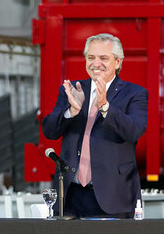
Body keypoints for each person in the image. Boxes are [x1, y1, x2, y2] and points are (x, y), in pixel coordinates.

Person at [43, 33, 148, 218]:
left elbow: (134, 131)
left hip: (113, 194)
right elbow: (49, 131)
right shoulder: (73, 90)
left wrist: (105, 107)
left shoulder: (135, 93)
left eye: (103, 58)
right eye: (91, 57)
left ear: (117, 62)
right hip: (70, 194)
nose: (96, 63)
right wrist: (71, 112)